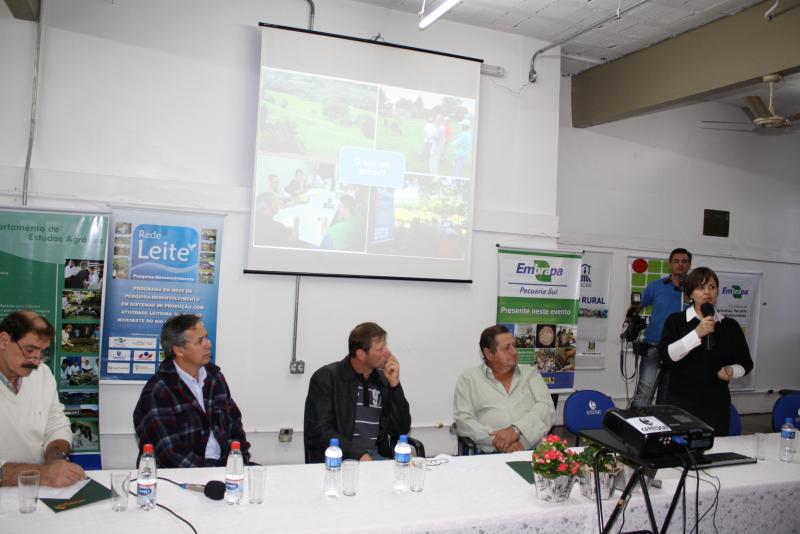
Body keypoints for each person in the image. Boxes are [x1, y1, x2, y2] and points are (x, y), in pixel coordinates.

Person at [132, 314, 250, 467]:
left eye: (206, 337)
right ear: (179, 350)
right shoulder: (158, 391)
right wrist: (213, 473)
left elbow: (235, 425)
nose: (208, 344)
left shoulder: (215, 378)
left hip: (225, 467)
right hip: (183, 474)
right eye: (200, 341)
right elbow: (170, 455)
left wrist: (240, 461)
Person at [659, 267, 753, 436]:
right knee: (680, 448)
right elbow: (667, 356)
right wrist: (696, 333)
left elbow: (746, 363)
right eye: (700, 288)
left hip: (716, 404)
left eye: (712, 287)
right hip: (682, 402)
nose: (707, 292)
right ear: (690, 293)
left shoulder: (730, 326)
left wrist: (732, 370)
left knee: (716, 447)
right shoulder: (676, 321)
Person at [304, 322, 411, 463]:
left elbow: (401, 429)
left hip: (376, 457)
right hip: (339, 458)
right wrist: (358, 454)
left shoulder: (382, 381)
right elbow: (320, 431)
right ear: (361, 354)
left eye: (386, 346)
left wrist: (395, 385)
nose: (388, 352)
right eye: (380, 349)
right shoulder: (327, 378)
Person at [0, 310, 86, 487]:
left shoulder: (42, 374)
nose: (36, 361)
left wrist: (57, 459)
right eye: (30, 350)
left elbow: (56, 425)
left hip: (38, 488)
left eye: (42, 352)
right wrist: (44, 474)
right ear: (4, 341)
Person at [454, 325, 555, 453]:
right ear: (488, 353)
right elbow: (463, 420)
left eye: (514, 346)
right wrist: (498, 441)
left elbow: (547, 408)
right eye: (507, 348)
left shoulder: (530, 374)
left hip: (532, 450)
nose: (514, 351)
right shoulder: (469, 378)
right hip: (489, 453)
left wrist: (516, 430)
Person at [628, 248, 692, 408]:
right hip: (654, 344)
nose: (680, 265)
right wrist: (632, 313)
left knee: (671, 394)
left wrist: (689, 298)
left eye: (684, 261)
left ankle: (663, 422)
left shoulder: (695, 289)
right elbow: (638, 306)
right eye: (676, 261)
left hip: (682, 348)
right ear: (670, 264)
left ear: (689, 264)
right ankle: (637, 421)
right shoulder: (656, 286)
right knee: (644, 391)